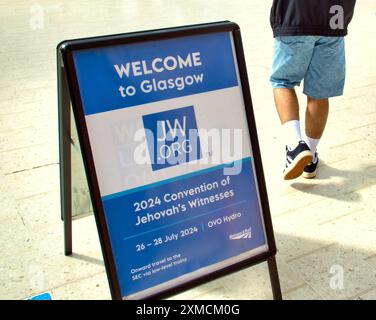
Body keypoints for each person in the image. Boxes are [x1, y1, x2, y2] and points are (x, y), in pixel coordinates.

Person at [270, 0, 356, 180]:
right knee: (319, 92)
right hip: (334, 20)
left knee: (282, 82)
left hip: (297, 16)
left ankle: (295, 147)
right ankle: (311, 155)